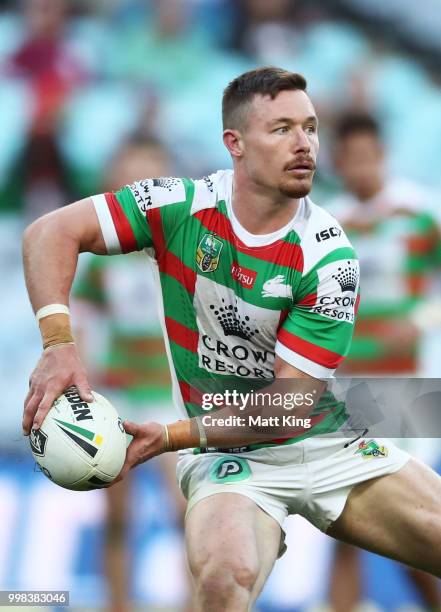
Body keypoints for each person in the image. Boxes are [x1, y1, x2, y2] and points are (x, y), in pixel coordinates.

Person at [22, 67, 441, 612]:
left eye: (311, 128)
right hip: (230, 456)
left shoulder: (330, 256)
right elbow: (48, 231)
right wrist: (59, 345)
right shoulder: (178, 206)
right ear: (235, 144)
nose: (305, 144)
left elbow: (289, 409)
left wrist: (172, 436)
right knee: (224, 579)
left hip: (332, 436)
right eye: (283, 128)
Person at [327, 112, 441, 611]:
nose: (360, 167)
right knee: (343, 514)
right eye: (350, 158)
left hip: (413, 386)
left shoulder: (421, 212)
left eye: (368, 156)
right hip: (353, 389)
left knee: (413, 516)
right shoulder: (329, 223)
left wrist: (420, 320)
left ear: (383, 156)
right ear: (338, 162)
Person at [71, 135, 190, 612]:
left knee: (186, 509)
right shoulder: (103, 257)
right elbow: (85, 320)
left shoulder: (187, 245)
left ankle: (194, 602)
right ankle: (117, 604)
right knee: (117, 515)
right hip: (118, 395)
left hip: (169, 394)